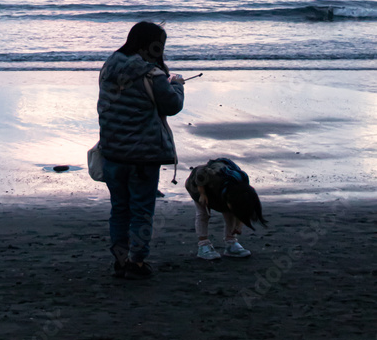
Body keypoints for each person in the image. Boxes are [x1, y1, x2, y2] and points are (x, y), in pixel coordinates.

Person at [97, 21, 184, 280]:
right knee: (142, 210)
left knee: (119, 208)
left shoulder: (108, 67)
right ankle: (136, 261)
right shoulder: (152, 76)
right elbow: (172, 105)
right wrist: (177, 83)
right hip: (143, 155)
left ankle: (120, 260)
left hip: (111, 151)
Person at [185, 157, 267, 260]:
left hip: (224, 191)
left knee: (230, 213)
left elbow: (241, 210)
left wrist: (238, 226)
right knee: (204, 213)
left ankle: (231, 243)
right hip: (197, 185)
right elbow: (200, 172)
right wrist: (202, 193)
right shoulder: (215, 176)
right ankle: (203, 245)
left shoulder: (243, 181)